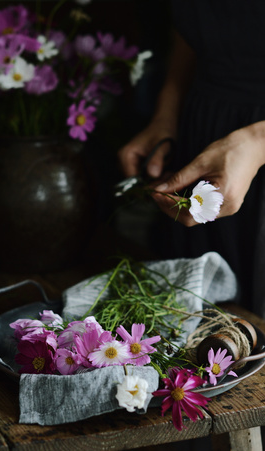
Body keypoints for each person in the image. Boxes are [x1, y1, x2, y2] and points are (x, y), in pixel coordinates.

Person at [117, 0, 265, 317]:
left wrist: (258, 142)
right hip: (199, 127)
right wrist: (166, 110)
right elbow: (198, 25)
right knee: (184, 322)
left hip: (255, 147)